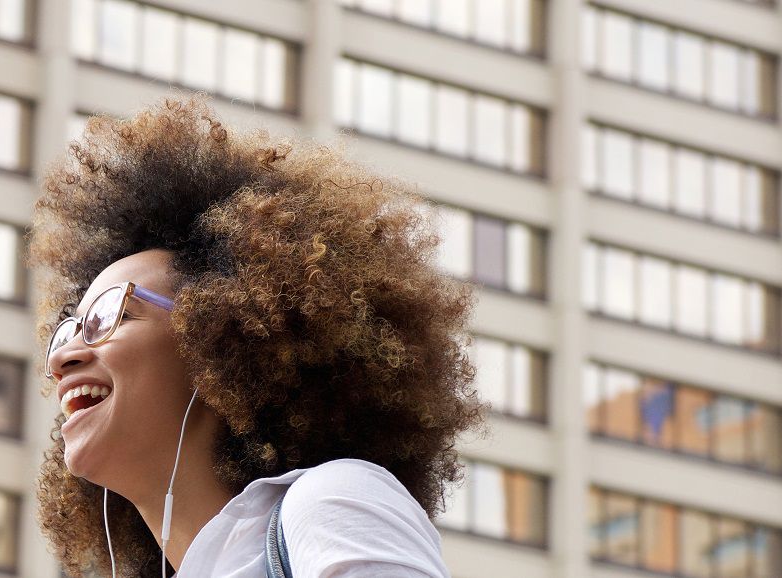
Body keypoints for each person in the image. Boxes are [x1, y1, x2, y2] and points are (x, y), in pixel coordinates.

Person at [32, 96, 483, 577]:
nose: (62, 358)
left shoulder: (330, 501)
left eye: (109, 314)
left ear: (217, 338)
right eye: (68, 331)